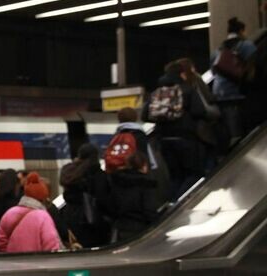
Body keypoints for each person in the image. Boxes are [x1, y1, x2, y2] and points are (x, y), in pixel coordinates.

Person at [146, 61, 208, 199]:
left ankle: (173, 204)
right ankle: (179, 201)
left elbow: (145, 114)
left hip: (163, 140)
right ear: (181, 74)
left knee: (175, 176)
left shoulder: (157, 92)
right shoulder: (186, 89)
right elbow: (199, 111)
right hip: (185, 138)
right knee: (194, 174)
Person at [212, 17, 258, 145]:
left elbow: (214, 70)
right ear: (241, 31)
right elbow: (253, 64)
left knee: (229, 130)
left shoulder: (219, 49)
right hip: (236, 92)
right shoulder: (246, 45)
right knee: (240, 132)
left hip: (219, 92)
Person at [0, 173, 63, 253]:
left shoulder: (9, 213)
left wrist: (12, 256)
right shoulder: (44, 216)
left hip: (12, 263)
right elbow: (51, 246)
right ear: (43, 197)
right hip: (39, 263)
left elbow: (0, 242)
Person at [103, 153, 162, 244]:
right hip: (140, 229)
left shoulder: (117, 181)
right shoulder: (146, 183)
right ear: (144, 165)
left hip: (120, 227)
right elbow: (149, 210)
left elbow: (110, 205)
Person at [59, 145, 110, 248]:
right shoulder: (97, 174)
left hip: (70, 217)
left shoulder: (69, 171)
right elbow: (103, 200)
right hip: (91, 222)